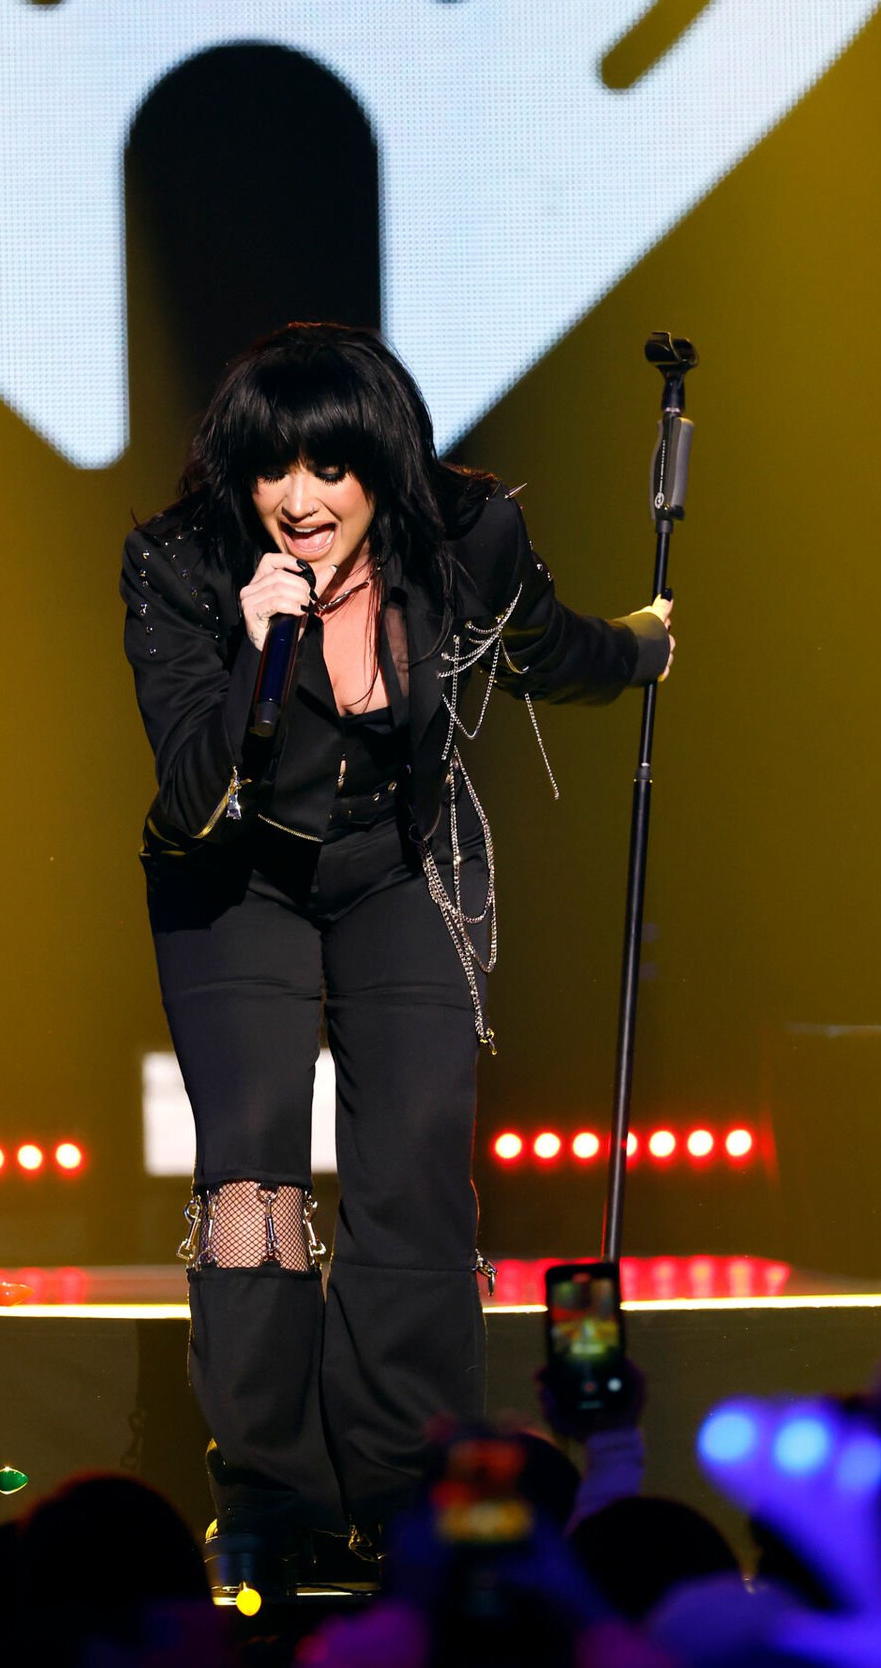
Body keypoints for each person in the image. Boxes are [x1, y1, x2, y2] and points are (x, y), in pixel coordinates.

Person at [121, 322, 673, 1592]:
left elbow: (544, 649)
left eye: (327, 468)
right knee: (254, 1178)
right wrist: (256, 647)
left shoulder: (464, 536)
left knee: (416, 1163)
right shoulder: (182, 563)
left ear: (379, 464)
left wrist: (641, 645)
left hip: (394, 867)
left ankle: (403, 1478)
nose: (297, 499)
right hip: (230, 878)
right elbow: (189, 795)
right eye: (271, 470)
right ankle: (268, 1488)